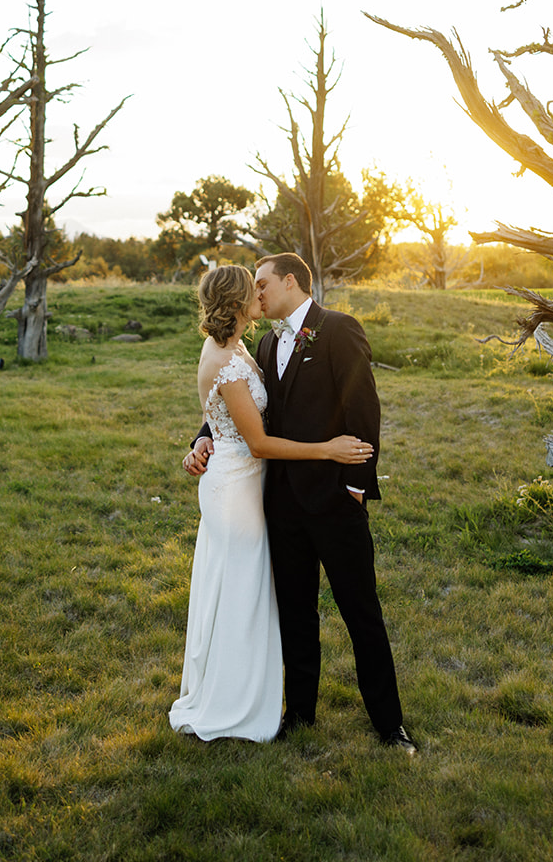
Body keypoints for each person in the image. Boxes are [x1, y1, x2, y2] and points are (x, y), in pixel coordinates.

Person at [183, 253, 416, 753]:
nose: (258, 293)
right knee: (295, 613)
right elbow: (242, 407)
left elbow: (363, 407)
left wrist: (356, 485)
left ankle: (388, 724)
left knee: (361, 612)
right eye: (253, 288)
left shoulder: (338, 329)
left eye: (263, 284)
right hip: (279, 503)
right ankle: (300, 713)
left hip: (334, 500)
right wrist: (205, 437)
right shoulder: (262, 343)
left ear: (291, 282)